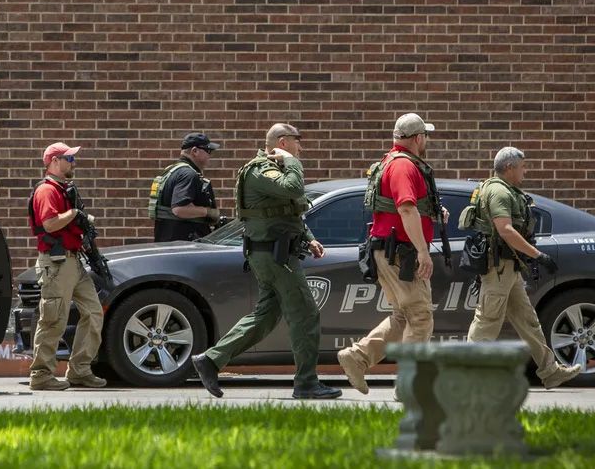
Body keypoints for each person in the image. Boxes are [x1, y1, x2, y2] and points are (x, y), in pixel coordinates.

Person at [191, 123, 340, 400]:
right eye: (298, 142)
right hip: (274, 255)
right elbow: (293, 188)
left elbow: (288, 211)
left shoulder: (275, 169)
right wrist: (293, 163)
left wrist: (308, 238)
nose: (301, 148)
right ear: (283, 143)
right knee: (306, 314)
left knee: (266, 316)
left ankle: (210, 360)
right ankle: (306, 383)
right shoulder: (261, 170)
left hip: (275, 252)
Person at [337, 113, 446, 395]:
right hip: (402, 254)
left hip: (389, 250)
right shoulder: (403, 167)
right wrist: (423, 251)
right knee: (420, 317)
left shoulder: (391, 162)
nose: (427, 142)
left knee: (403, 317)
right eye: (426, 136)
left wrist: (432, 214)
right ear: (418, 138)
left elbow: (409, 208)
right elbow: (406, 208)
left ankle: (357, 357)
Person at [464, 146, 582, 389]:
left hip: (508, 268)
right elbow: (505, 229)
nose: (525, 171)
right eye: (522, 166)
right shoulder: (498, 192)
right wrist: (538, 255)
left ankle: (550, 371)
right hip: (499, 268)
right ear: (509, 167)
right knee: (486, 322)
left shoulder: (502, 189)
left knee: (527, 320)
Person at [26, 142, 107, 391]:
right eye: (68, 159)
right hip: (57, 263)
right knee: (53, 319)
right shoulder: (47, 191)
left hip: (73, 261)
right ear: (53, 161)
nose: (73, 163)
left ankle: (80, 370)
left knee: (94, 312)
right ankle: (41, 375)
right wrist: (74, 214)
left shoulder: (63, 189)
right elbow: (50, 224)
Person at [150, 132, 222, 242]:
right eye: (208, 150)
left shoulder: (172, 171)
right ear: (195, 151)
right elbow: (180, 209)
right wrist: (207, 212)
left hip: (169, 241)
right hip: (185, 244)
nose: (209, 155)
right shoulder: (188, 174)